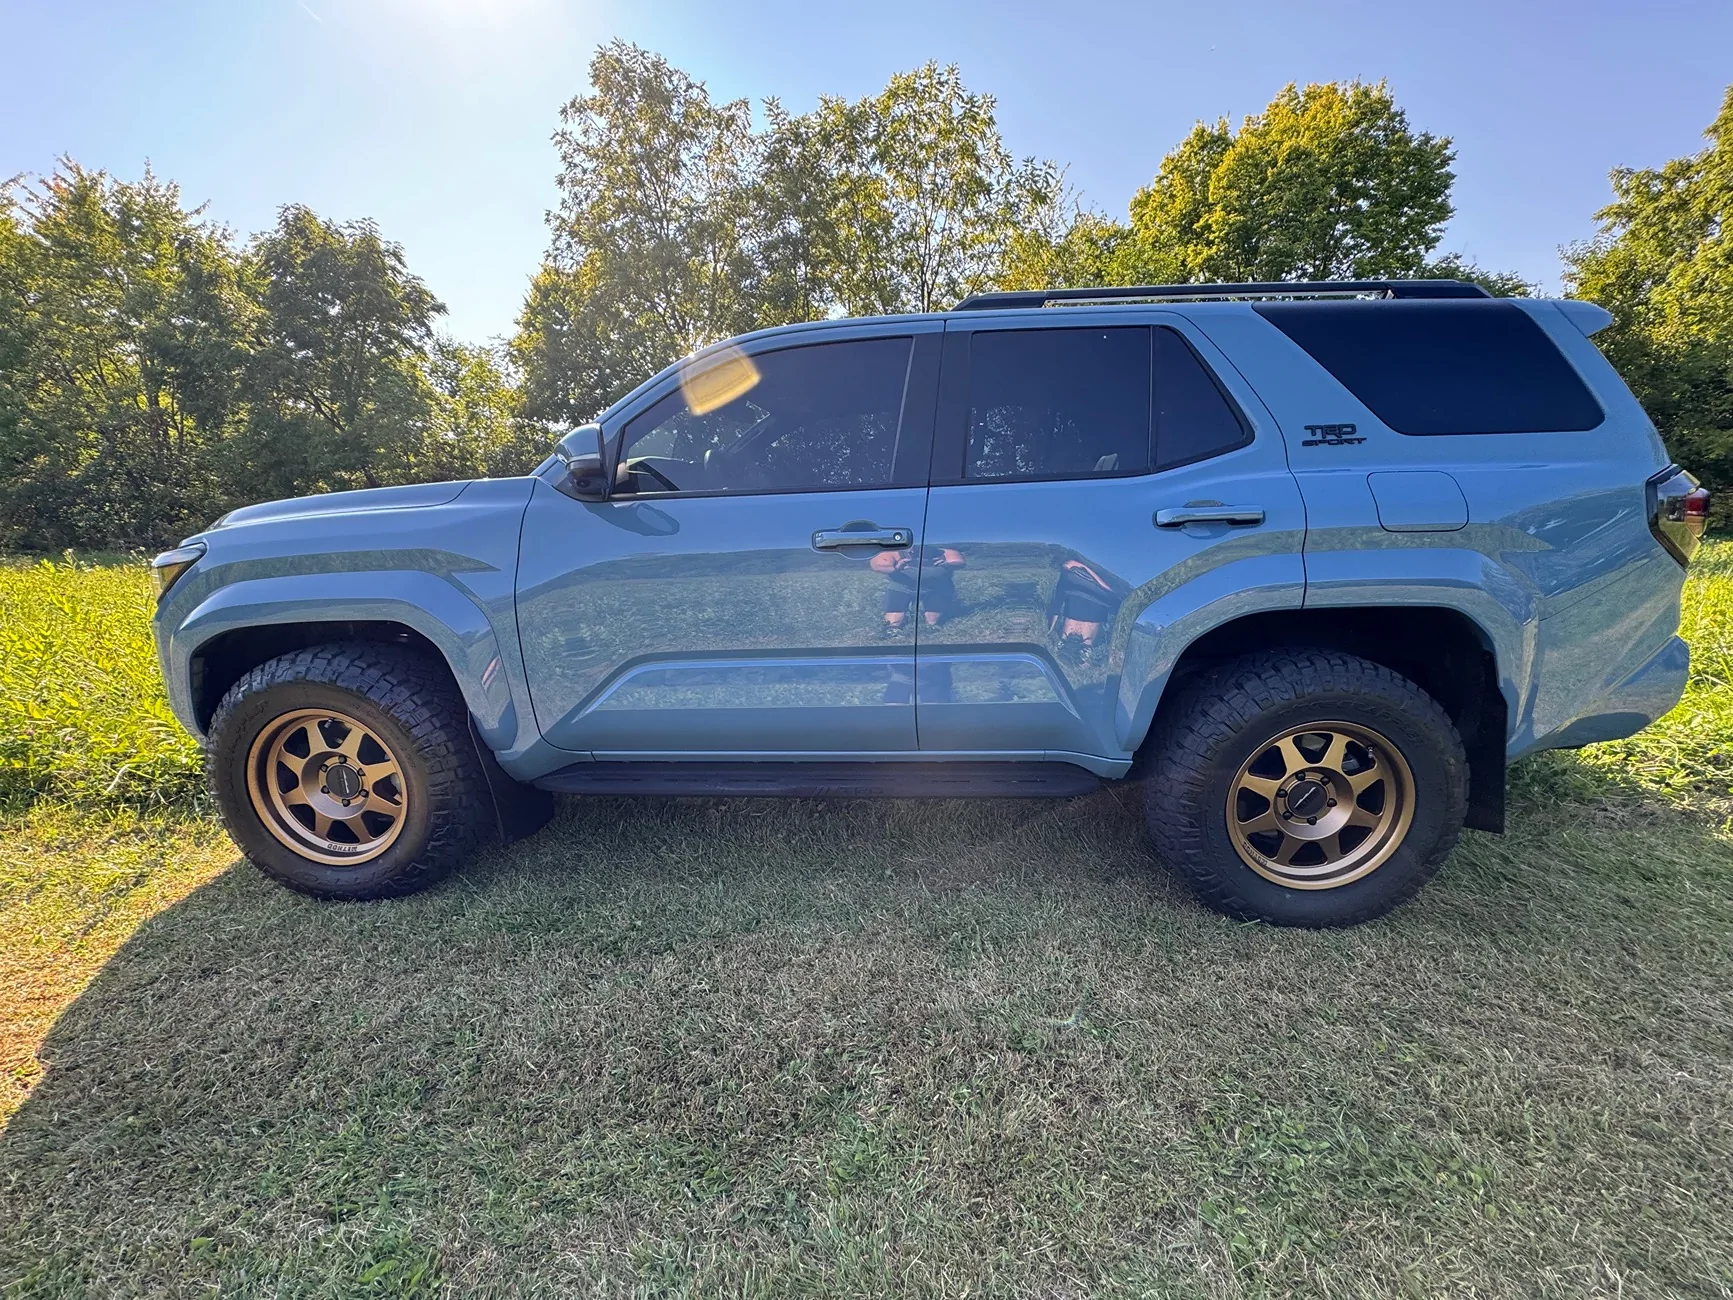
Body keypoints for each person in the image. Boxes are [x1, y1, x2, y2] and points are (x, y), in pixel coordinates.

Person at [871, 545, 966, 633]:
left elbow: (960, 562)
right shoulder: (895, 553)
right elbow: (877, 565)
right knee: (894, 619)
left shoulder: (945, 553)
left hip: (937, 587)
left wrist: (948, 564)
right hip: (902, 586)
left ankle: (931, 630)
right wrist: (896, 568)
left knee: (932, 620)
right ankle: (893, 630)